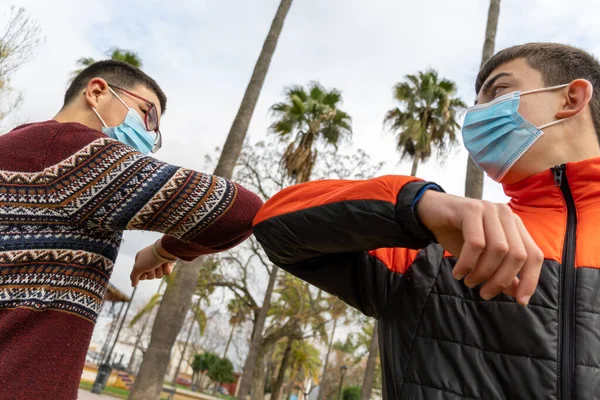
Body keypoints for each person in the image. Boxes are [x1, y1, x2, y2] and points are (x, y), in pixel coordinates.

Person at [253, 42, 600, 399]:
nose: (478, 116)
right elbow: (275, 223)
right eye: (477, 105)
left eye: (499, 91)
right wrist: (417, 205)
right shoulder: (440, 243)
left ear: (571, 98)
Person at [0, 60, 263, 399]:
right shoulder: (75, 156)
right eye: (147, 114)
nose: (150, 134)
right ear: (97, 92)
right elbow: (241, 210)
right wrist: (162, 250)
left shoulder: (16, 146)